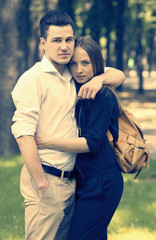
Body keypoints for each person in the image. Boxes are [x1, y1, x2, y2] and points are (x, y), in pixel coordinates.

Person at [11, 9, 125, 240]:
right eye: (56, 40)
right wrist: (41, 182)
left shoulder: (72, 74)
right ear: (43, 43)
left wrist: (100, 78)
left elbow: (117, 75)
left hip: (73, 182)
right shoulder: (33, 79)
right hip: (47, 178)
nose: (64, 46)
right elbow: (23, 134)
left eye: (68, 39)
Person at [35, 36, 124, 240]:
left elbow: (90, 143)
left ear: (96, 64)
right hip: (82, 181)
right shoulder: (74, 87)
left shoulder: (103, 95)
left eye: (85, 63)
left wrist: (47, 141)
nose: (79, 70)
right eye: (73, 64)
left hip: (102, 183)